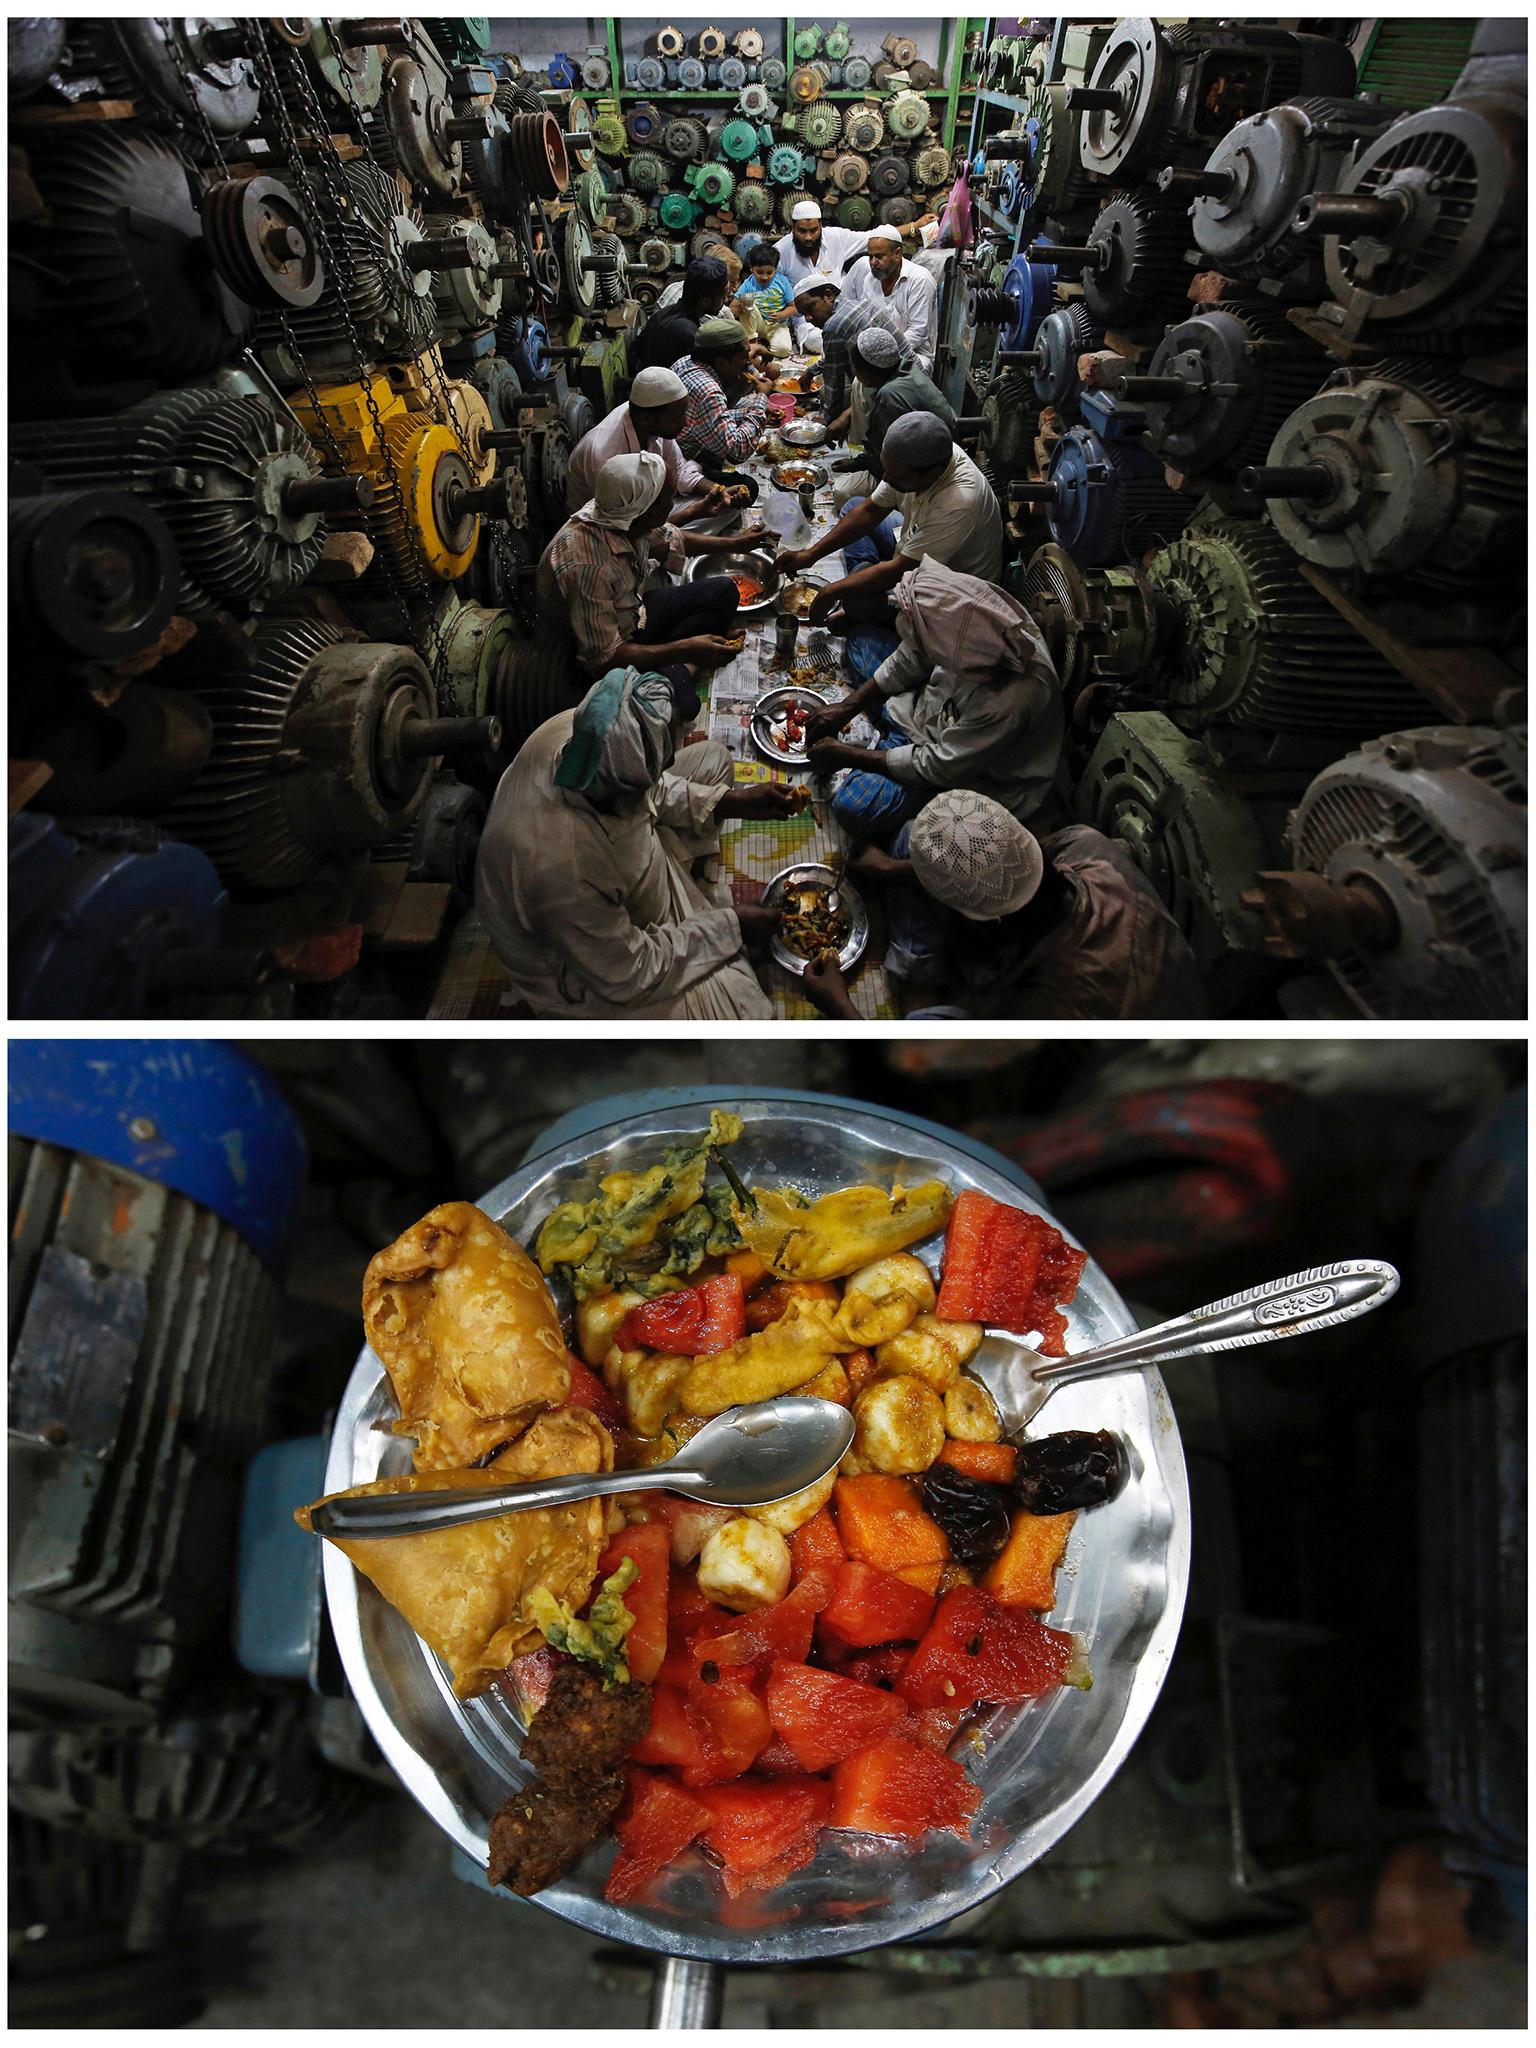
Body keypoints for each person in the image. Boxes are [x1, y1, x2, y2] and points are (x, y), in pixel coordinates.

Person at [475, 666, 804, 1020]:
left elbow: (651, 785)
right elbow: (629, 973)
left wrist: (733, 803)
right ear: (624, 792)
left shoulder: (584, 731)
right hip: (594, 966)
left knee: (713, 761)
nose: (670, 763)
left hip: (617, 870)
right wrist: (731, 926)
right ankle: (700, 928)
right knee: (744, 1009)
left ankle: (693, 917)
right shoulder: (561, 870)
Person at [799, 790, 1208, 1021]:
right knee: (912, 838)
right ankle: (917, 964)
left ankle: (919, 987)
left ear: (975, 925)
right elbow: (988, 876)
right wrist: (889, 868)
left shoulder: (1049, 1007)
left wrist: (837, 1004)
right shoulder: (1084, 844)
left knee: (922, 1029)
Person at [802, 555, 1063, 840]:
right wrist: (847, 707)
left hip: (966, 771)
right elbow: (914, 654)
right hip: (927, 709)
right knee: (861, 642)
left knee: (853, 806)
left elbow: (940, 765)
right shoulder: (965, 619)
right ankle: (888, 734)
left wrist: (849, 755)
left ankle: (890, 747)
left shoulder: (1008, 700)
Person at [536, 450, 771, 703]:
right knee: (684, 704)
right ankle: (680, 667)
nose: (676, 501)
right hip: (604, 654)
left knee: (724, 591)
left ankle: (675, 665)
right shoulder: (589, 567)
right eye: (670, 496)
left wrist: (736, 544)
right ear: (648, 512)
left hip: (634, 614)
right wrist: (685, 648)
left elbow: (670, 538)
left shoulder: (621, 512)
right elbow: (605, 658)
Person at [778, 410, 1002, 625]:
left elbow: (901, 569)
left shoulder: (959, 503)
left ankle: (870, 597)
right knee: (853, 506)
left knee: (855, 602)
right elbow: (870, 510)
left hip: (952, 592)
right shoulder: (923, 457)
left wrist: (830, 592)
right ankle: (863, 579)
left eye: (894, 475)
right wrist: (810, 554)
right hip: (915, 546)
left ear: (931, 475)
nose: (885, 478)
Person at [566, 366, 730, 524]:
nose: (686, 423)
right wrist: (690, 514)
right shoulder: (604, 454)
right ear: (645, 419)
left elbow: (680, 471)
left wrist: (720, 491)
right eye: (676, 418)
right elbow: (621, 527)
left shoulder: (652, 417)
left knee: (725, 507)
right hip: (612, 526)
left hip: (646, 509)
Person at [672, 317, 772, 471]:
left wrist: (748, 412)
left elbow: (707, 417)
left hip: (690, 437)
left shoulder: (686, 362)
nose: (749, 362)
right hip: (679, 463)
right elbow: (737, 451)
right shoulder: (708, 390)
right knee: (747, 486)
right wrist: (761, 400)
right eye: (743, 357)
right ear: (721, 363)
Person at [839, 226, 938, 371]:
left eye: (879, 257)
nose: (873, 262)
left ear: (897, 254)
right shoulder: (871, 279)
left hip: (914, 354)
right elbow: (868, 322)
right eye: (870, 256)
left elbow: (918, 332)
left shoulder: (920, 280)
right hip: (878, 352)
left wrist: (883, 354)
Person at [630, 256, 728, 375]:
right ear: (706, 301)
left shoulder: (663, 313)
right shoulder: (688, 334)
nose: (726, 299)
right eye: (722, 296)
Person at [773, 198, 868, 293]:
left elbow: (872, 237)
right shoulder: (780, 251)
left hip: (839, 299)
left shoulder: (836, 237)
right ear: (793, 228)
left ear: (820, 226)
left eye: (813, 230)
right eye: (802, 231)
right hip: (803, 304)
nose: (808, 237)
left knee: (864, 264)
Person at [731, 240, 798, 359]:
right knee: (747, 303)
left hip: (776, 324)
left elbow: (793, 307)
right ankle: (752, 341)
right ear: (751, 269)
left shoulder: (782, 282)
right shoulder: (748, 284)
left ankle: (763, 345)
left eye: (769, 272)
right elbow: (733, 307)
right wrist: (740, 310)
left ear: (775, 269)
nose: (765, 276)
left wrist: (781, 315)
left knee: (783, 350)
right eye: (760, 272)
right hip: (756, 324)